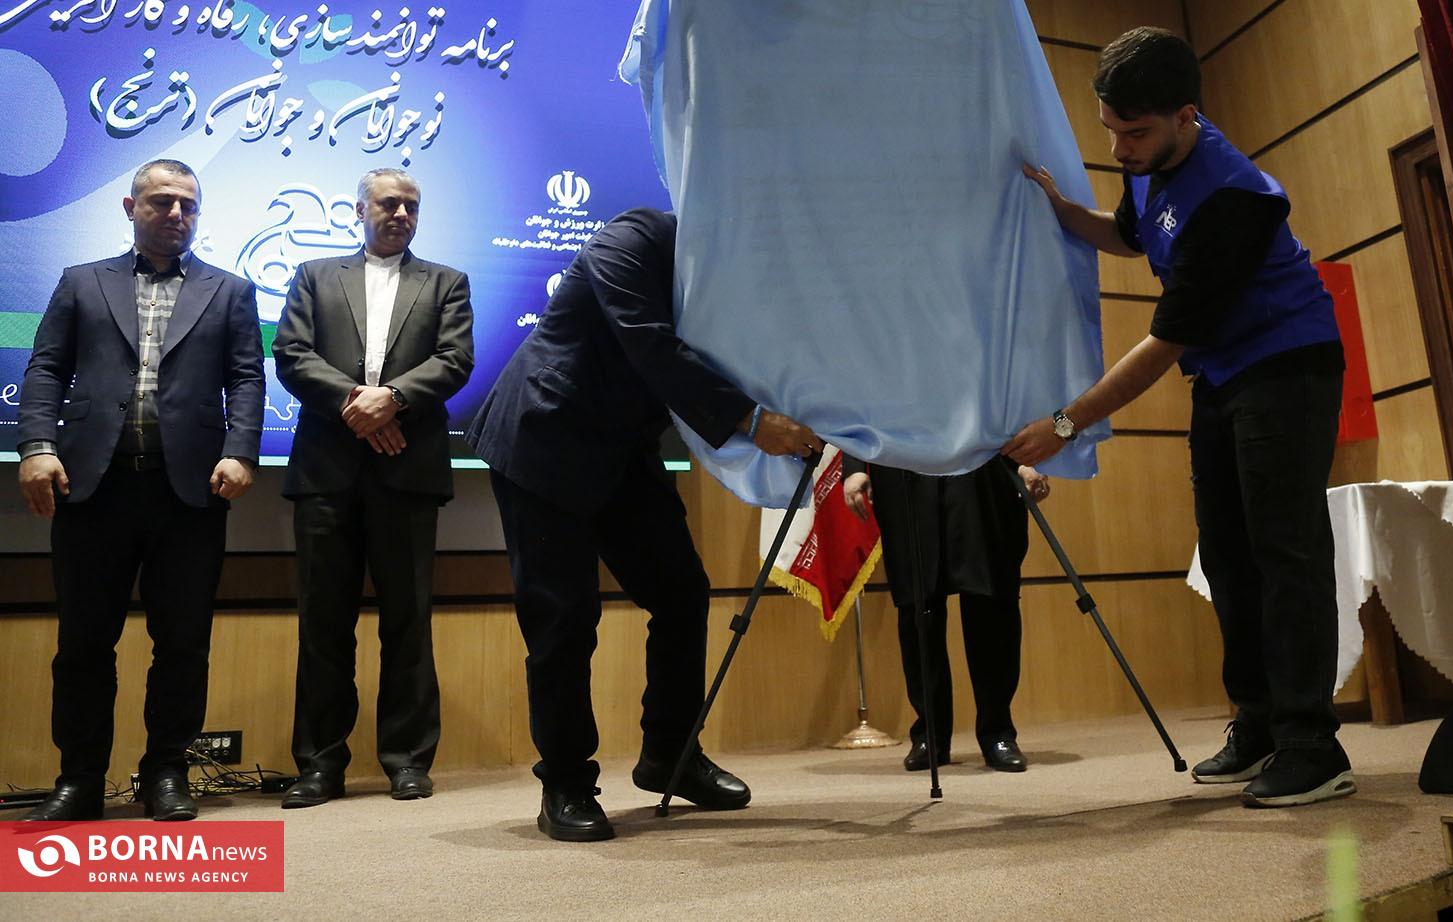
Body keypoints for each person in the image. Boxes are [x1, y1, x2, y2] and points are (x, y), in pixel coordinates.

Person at [1003, 27, 1352, 808]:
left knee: (1284, 554)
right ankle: (1258, 725)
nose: (1119, 148)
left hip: (1286, 366)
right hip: (1224, 373)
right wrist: (1059, 209)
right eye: (1110, 130)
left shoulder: (1231, 197)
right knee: (1227, 556)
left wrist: (1064, 424)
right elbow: (1127, 234)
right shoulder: (1151, 163)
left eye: (1134, 133)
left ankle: (1312, 744)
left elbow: (1166, 342)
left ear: (1186, 116)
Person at [467, 206, 820, 842]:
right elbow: (650, 344)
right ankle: (566, 781)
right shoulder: (632, 238)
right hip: (545, 435)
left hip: (623, 450)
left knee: (682, 592)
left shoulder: (730, 268)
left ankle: (670, 755)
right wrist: (752, 421)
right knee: (564, 619)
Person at [16, 159, 265, 821]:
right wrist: (36, 447)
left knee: (182, 644)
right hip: (91, 489)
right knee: (83, 644)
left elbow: (246, 379)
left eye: (188, 204)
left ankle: (167, 773)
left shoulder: (230, 291)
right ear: (130, 207)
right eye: (161, 201)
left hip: (189, 494)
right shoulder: (81, 282)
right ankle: (79, 780)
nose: (176, 214)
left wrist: (241, 451)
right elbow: (45, 370)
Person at [272, 167, 473, 809]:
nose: (401, 214)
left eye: (411, 205)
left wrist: (394, 401)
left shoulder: (446, 282)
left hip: (408, 471)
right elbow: (291, 353)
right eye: (388, 204)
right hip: (325, 472)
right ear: (359, 210)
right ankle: (319, 766)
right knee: (322, 623)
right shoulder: (313, 275)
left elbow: (455, 360)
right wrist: (356, 404)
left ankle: (408, 761)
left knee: (408, 622)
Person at [842, 457, 1049, 773]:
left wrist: (1027, 459)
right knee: (917, 602)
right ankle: (930, 735)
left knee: (991, 596)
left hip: (983, 465)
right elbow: (857, 419)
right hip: (905, 465)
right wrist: (855, 468)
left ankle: (998, 731)